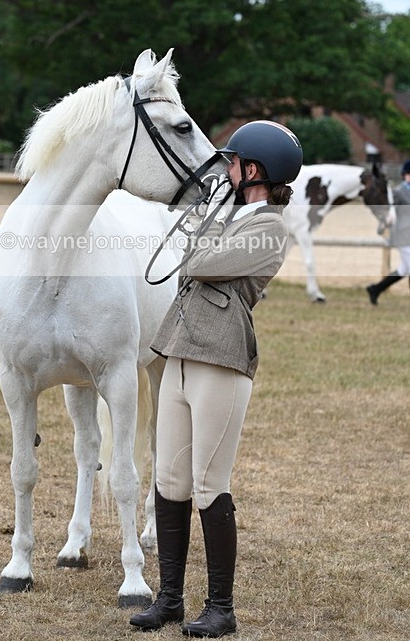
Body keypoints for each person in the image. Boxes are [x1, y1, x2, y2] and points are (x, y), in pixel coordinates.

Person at [129, 120, 303, 637]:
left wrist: (210, 213)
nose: (223, 170)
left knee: (209, 485)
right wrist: (212, 211)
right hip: (180, 354)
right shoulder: (225, 214)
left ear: (252, 170)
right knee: (169, 482)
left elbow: (196, 259)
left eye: (232, 162)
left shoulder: (269, 228)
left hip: (222, 361)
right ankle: (169, 599)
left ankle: (221, 607)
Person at [366, 159, 410, 305]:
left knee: (404, 269)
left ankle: (375, 289)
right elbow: (387, 212)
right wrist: (383, 226)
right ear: (404, 175)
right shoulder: (397, 193)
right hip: (403, 235)